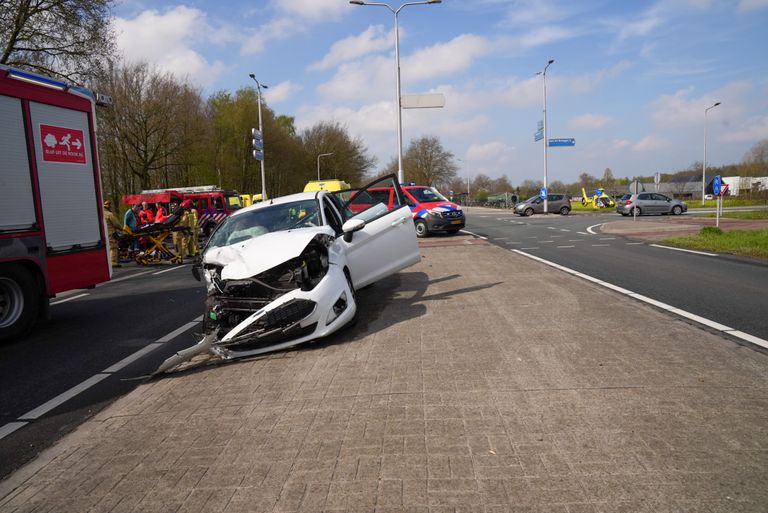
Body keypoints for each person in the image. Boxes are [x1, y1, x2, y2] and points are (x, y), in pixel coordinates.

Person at [103, 200, 122, 267]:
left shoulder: (101, 214)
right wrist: (122, 228)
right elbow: (116, 224)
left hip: (103, 233)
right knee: (113, 247)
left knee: (107, 248)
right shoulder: (109, 214)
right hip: (111, 233)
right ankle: (113, 262)